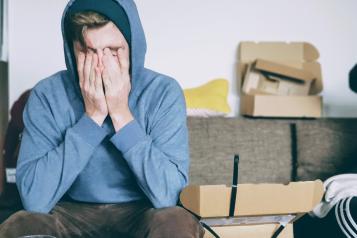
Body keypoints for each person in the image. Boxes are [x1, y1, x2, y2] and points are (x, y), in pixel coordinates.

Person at [0, 0, 204, 237]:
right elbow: (35, 200)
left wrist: (121, 114)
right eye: (88, 52)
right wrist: (93, 117)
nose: (101, 66)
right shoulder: (47, 95)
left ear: (132, 47)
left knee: (176, 221)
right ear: (71, 50)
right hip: (69, 212)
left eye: (114, 51)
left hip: (142, 211)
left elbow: (168, 196)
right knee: (22, 224)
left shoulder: (163, 92)